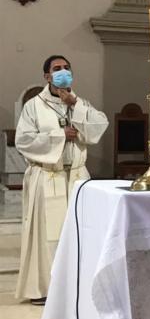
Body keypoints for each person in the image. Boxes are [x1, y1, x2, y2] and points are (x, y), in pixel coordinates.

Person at [14, 55, 108, 304]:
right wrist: (59, 135)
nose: (63, 72)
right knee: (48, 237)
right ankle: (45, 289)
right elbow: (23, 140)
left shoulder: (80, 102)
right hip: (48, 176)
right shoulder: (33, 106)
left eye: (67, 68)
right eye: (57, 69)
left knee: (79, 233)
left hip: (76, 177)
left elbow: (99, 125)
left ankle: (76, 286)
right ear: (47, 76)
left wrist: (75, 104)